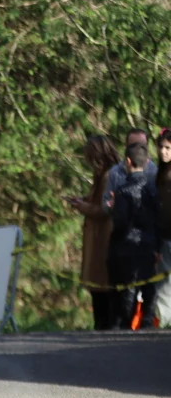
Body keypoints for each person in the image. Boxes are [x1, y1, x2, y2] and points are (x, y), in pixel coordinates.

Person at [68, 135, 119, 330]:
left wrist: (82, 207)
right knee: (98, 290)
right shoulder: (102, 176)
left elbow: (104, 210)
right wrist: (84, 200)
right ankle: (101, 325)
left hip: (103, 240)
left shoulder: (108, 176)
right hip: (97, 239)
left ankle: (104, 327)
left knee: (102, 290)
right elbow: (98, 200)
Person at [107, 141, 159, 329]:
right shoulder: (153, 190)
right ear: (147, 162)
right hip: (149, 245)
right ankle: (147, 321)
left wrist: (113, 209)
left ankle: (127, 324)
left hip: (127, 247)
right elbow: (159, 220)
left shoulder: (123, 192)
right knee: (149, 286)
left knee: (129, 289)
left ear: (128, 162)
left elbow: (121, 223)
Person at [102, 128, 156, 210]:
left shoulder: (154, 172)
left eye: (142, 146)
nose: (138, 150)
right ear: (126, 145)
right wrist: (111, 205)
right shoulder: (115, 172)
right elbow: (105, 203)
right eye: (133, 145)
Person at [154, 129, 171, 327]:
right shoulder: (161, 172)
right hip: (163, 236)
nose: (163, 151)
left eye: (168, 147)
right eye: (160, 147)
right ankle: (164, 323)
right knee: (164, 287)